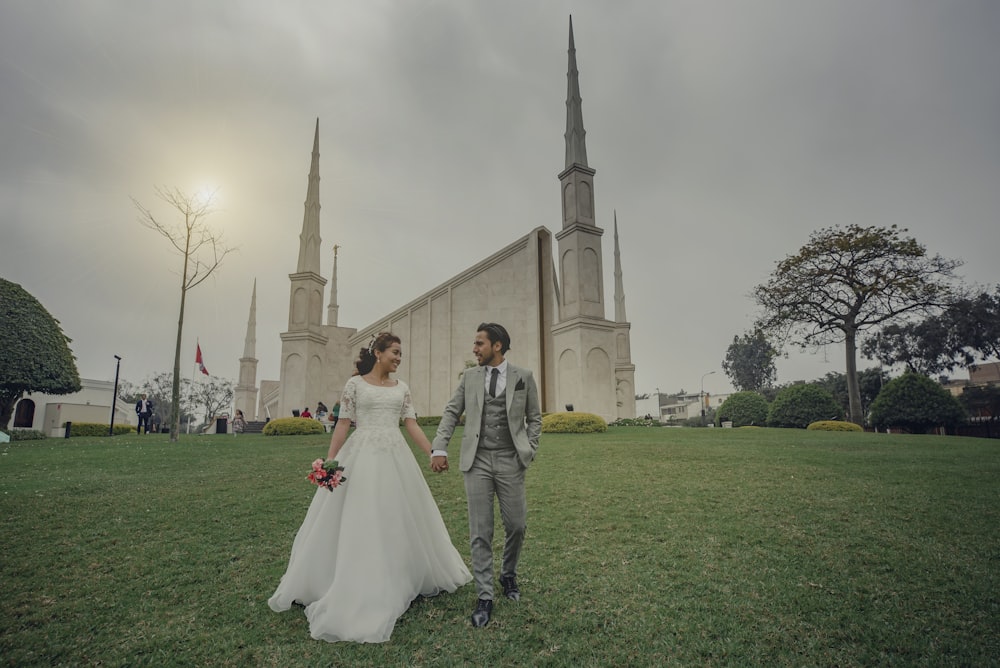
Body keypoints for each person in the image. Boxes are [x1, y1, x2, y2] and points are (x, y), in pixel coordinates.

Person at [269, 332, 471, 643]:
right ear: (378, 353)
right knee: (360, 515)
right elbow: (343, 424)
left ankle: (400, 574)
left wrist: (433, 452)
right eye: (394, 352)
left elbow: (411, 423)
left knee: (396, 515)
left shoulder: (402, 388)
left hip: (394, 456)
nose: (399, 358)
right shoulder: (355, 385)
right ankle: (353, 579)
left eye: (401, 353)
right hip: (361, 456)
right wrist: (330, 461)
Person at [431, 322, 542, 628]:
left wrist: (529, 450)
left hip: (510, 459)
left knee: (517, 526)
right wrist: (439, 447)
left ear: (497, 346)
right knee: (481, 531)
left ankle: (508, 574)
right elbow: (452, 412)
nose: (474, 348)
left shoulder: (524, 377)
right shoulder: (470, 377)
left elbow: (535, 418)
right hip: (477, 462)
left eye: (479, 343)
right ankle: (485, 595)